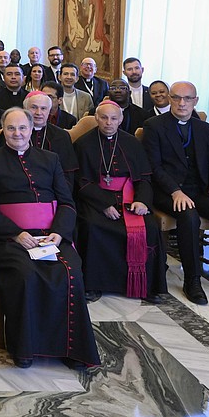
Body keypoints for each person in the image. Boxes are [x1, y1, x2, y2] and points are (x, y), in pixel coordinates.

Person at [0, 107, 100, 369]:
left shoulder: (51, 159)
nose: (17, 133)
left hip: (50, 236)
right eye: (11, 128)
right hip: (9, 239)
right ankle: (25, 348)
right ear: (3, 131)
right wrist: (16, 233)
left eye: (22, 127)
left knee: (70, 272)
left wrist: (59, 233)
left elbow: (67, 202)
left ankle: (70, 348)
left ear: (32, 129)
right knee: (26, 273)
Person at [142, 82, 209, 306]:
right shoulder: (153, 126)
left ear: (196, 100)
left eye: (187, 98)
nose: (182, 103)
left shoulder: (205, 129)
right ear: (170, 99)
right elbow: (154, 167)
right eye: (177, 98)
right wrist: (175, 191)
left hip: (200, 190)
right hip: (166, 191)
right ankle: (192, 280)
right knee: (189, 216)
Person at [74, 100, 166, 302]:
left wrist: (142, 201)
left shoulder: (132, 143)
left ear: (121, 119)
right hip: (95, 200)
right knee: (92, 226)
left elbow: (143, 178)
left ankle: (145, 284)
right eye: (104, 117)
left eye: (114, 118)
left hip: (130, 198)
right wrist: (104, 203)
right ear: (96, 118)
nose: (109, 122)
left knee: (150, 227)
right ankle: (93, 284)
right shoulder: (83, 144)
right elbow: (80, 181)